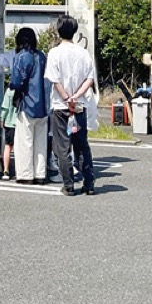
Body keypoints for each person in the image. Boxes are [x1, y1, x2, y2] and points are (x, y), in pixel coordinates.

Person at [44, 14, 96, 196]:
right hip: (79, 106)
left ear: (59, 31)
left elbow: (54, 80)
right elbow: (90, 79)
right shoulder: (83, 53)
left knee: (63, 147)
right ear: (74, 31)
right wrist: (76, 96)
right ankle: (89, 183)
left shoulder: (54, 53)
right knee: (81, 145)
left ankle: (68, 185)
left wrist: (67, 97)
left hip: (61, 106)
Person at [9, 27, 49, 185]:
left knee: (24, 141)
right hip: (43, 105)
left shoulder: (21, 57)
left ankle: (26, 175)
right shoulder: (42, 56)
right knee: (40, 142)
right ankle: (40, 174)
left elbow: (16, 82)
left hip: (27, 104)